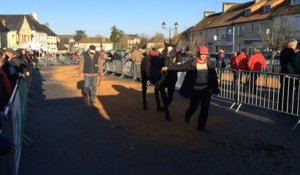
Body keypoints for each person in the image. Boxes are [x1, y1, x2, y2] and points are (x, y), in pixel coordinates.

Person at [161, 46, 219, 132]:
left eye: (205, 54)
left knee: (205, 108)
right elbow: (180, 67)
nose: (204, 56)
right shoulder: (192, 63)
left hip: (205, 90)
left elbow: (214, 78)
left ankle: (201, 127)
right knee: (194, 107)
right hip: (195, 90)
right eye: (202, 54)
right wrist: (168, 68)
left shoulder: (210, 64)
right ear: (199, 53)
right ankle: (187, 115)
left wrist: (216, 88)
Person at [279, 38, 298, 111]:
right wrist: (293, 73)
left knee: (283, 90)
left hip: (283, 73)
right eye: (295, 45)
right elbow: (289, 64)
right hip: (288, 74)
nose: (296, 46)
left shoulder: (284, 51)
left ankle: (281, 107)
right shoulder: (291, 51)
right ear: (292, 44)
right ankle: (284, 108)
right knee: (287, 91)